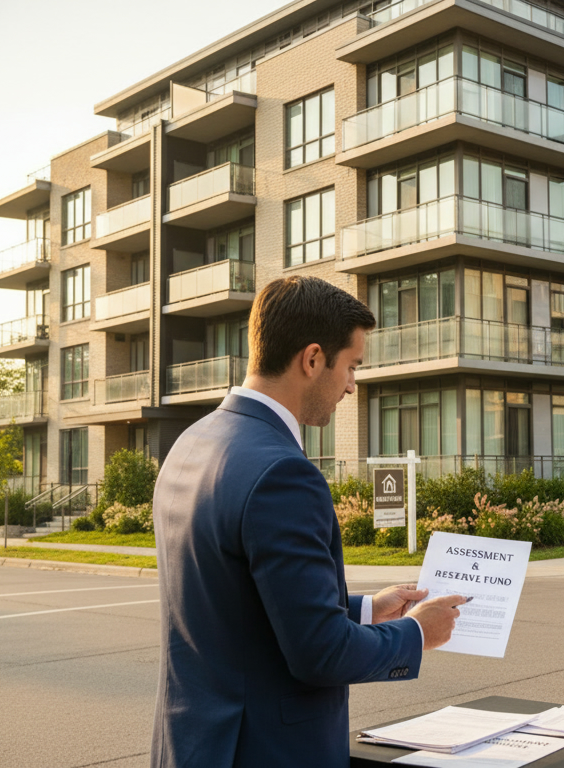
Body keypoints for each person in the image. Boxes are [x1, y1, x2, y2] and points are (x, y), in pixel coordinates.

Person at [150, 276, 466, 768]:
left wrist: (367, 609)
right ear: (313, 359)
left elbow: (240, 607)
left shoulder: (191, 441)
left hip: (193, 745)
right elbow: (321, 653)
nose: (352, 385)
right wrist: (418, 632)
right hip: (263, 752)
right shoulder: (282, 472)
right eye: (351, 366)